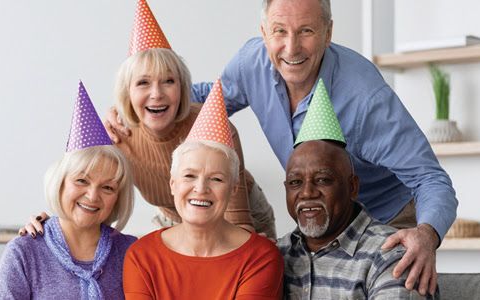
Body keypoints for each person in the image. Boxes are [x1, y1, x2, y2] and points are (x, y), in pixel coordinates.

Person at [106, 0, 456, 295]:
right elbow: (206, 102)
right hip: (313, 220)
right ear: (263, 33)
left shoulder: (366, 101)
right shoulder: (251, 63)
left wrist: (426, 234)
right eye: (279, 31)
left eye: (306, 31)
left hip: (384, 217)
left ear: (328, 32)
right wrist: (132, 110)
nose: (291, 48)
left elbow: (431, 178)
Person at [22, 0, 277, 238]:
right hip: (172, 221)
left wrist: (248, 251)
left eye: (168, 81)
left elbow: (238, 221)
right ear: (127, 92)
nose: (157, 94)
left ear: (182, 88)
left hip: (237, 218)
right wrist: (50, 225)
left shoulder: (213, 127)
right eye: (143, 83)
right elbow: (85, 200)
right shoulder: (116, 135)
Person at [122, 81, 283, 299]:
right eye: (189, 176)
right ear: (173, 184)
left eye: (216, 179)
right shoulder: (142, 256)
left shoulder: (261, 257)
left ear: (234, 189)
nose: (200, 188)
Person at [277, 80, 430, 298]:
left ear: (352, 187)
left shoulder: (392, 254)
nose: (307, 193)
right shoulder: (274, 255)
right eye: (295, 183)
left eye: (322, 180)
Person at [0, 82, 136, 299]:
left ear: (118, 198)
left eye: (107, 187)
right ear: (60, 183)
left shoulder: (130, 252)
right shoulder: (24, 253)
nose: (93, 195)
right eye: (81, 181)